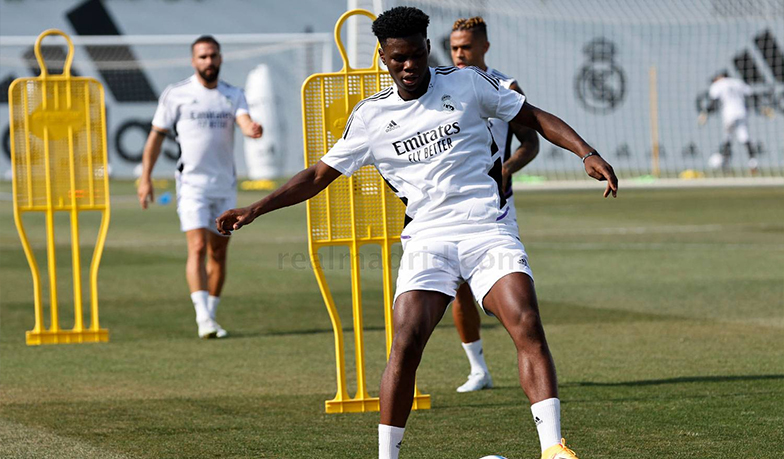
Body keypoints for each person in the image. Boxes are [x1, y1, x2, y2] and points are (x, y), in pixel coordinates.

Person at [216, 7, 617, 459]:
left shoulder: (467, 84)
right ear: (384, 57)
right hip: (427, 239)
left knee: (526, 321)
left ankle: (553, 449)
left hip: (488, 228)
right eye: (396, 58)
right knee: (405, 342)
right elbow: (316, 176)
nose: (408, 66)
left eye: (415, 55)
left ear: (428, 48)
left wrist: (587, 152)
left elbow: (535, 117)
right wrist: (256, 208)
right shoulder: (370, 117)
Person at [137, 35, 263, 339]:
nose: (208, 61)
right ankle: (202, 317)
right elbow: (156, 136)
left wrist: (252, 129)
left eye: (213, 56)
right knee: (196, 248)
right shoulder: (176, 94)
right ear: (193, 61)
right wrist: (146, 177)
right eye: (202, 57)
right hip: (191, 185)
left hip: (224, 186)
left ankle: (211, 315)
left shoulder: (232, 94)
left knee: (218, 252)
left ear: (220, 59)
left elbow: (244, 121)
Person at [449, 16, 540, 393]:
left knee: (506, 290)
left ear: (484, 47)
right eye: (454, 47)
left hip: (496, 206)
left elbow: (530, 143)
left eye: (465, 47)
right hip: (451, 207)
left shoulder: (505, 86)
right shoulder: (443, 85)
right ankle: (478, 369)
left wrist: (505, 169)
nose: (458, 54)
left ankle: (530, 358)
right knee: (457, 287)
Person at [698, 72, 757, 171]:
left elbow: (713, 103)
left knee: (727, 139)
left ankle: (725, 164)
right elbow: (751, 95)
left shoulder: (718, 85)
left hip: (729, 114)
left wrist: (705, 113)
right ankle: (753, 163)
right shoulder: (737, 82)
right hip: (741, 112)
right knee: (744, 137)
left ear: (721, 76)